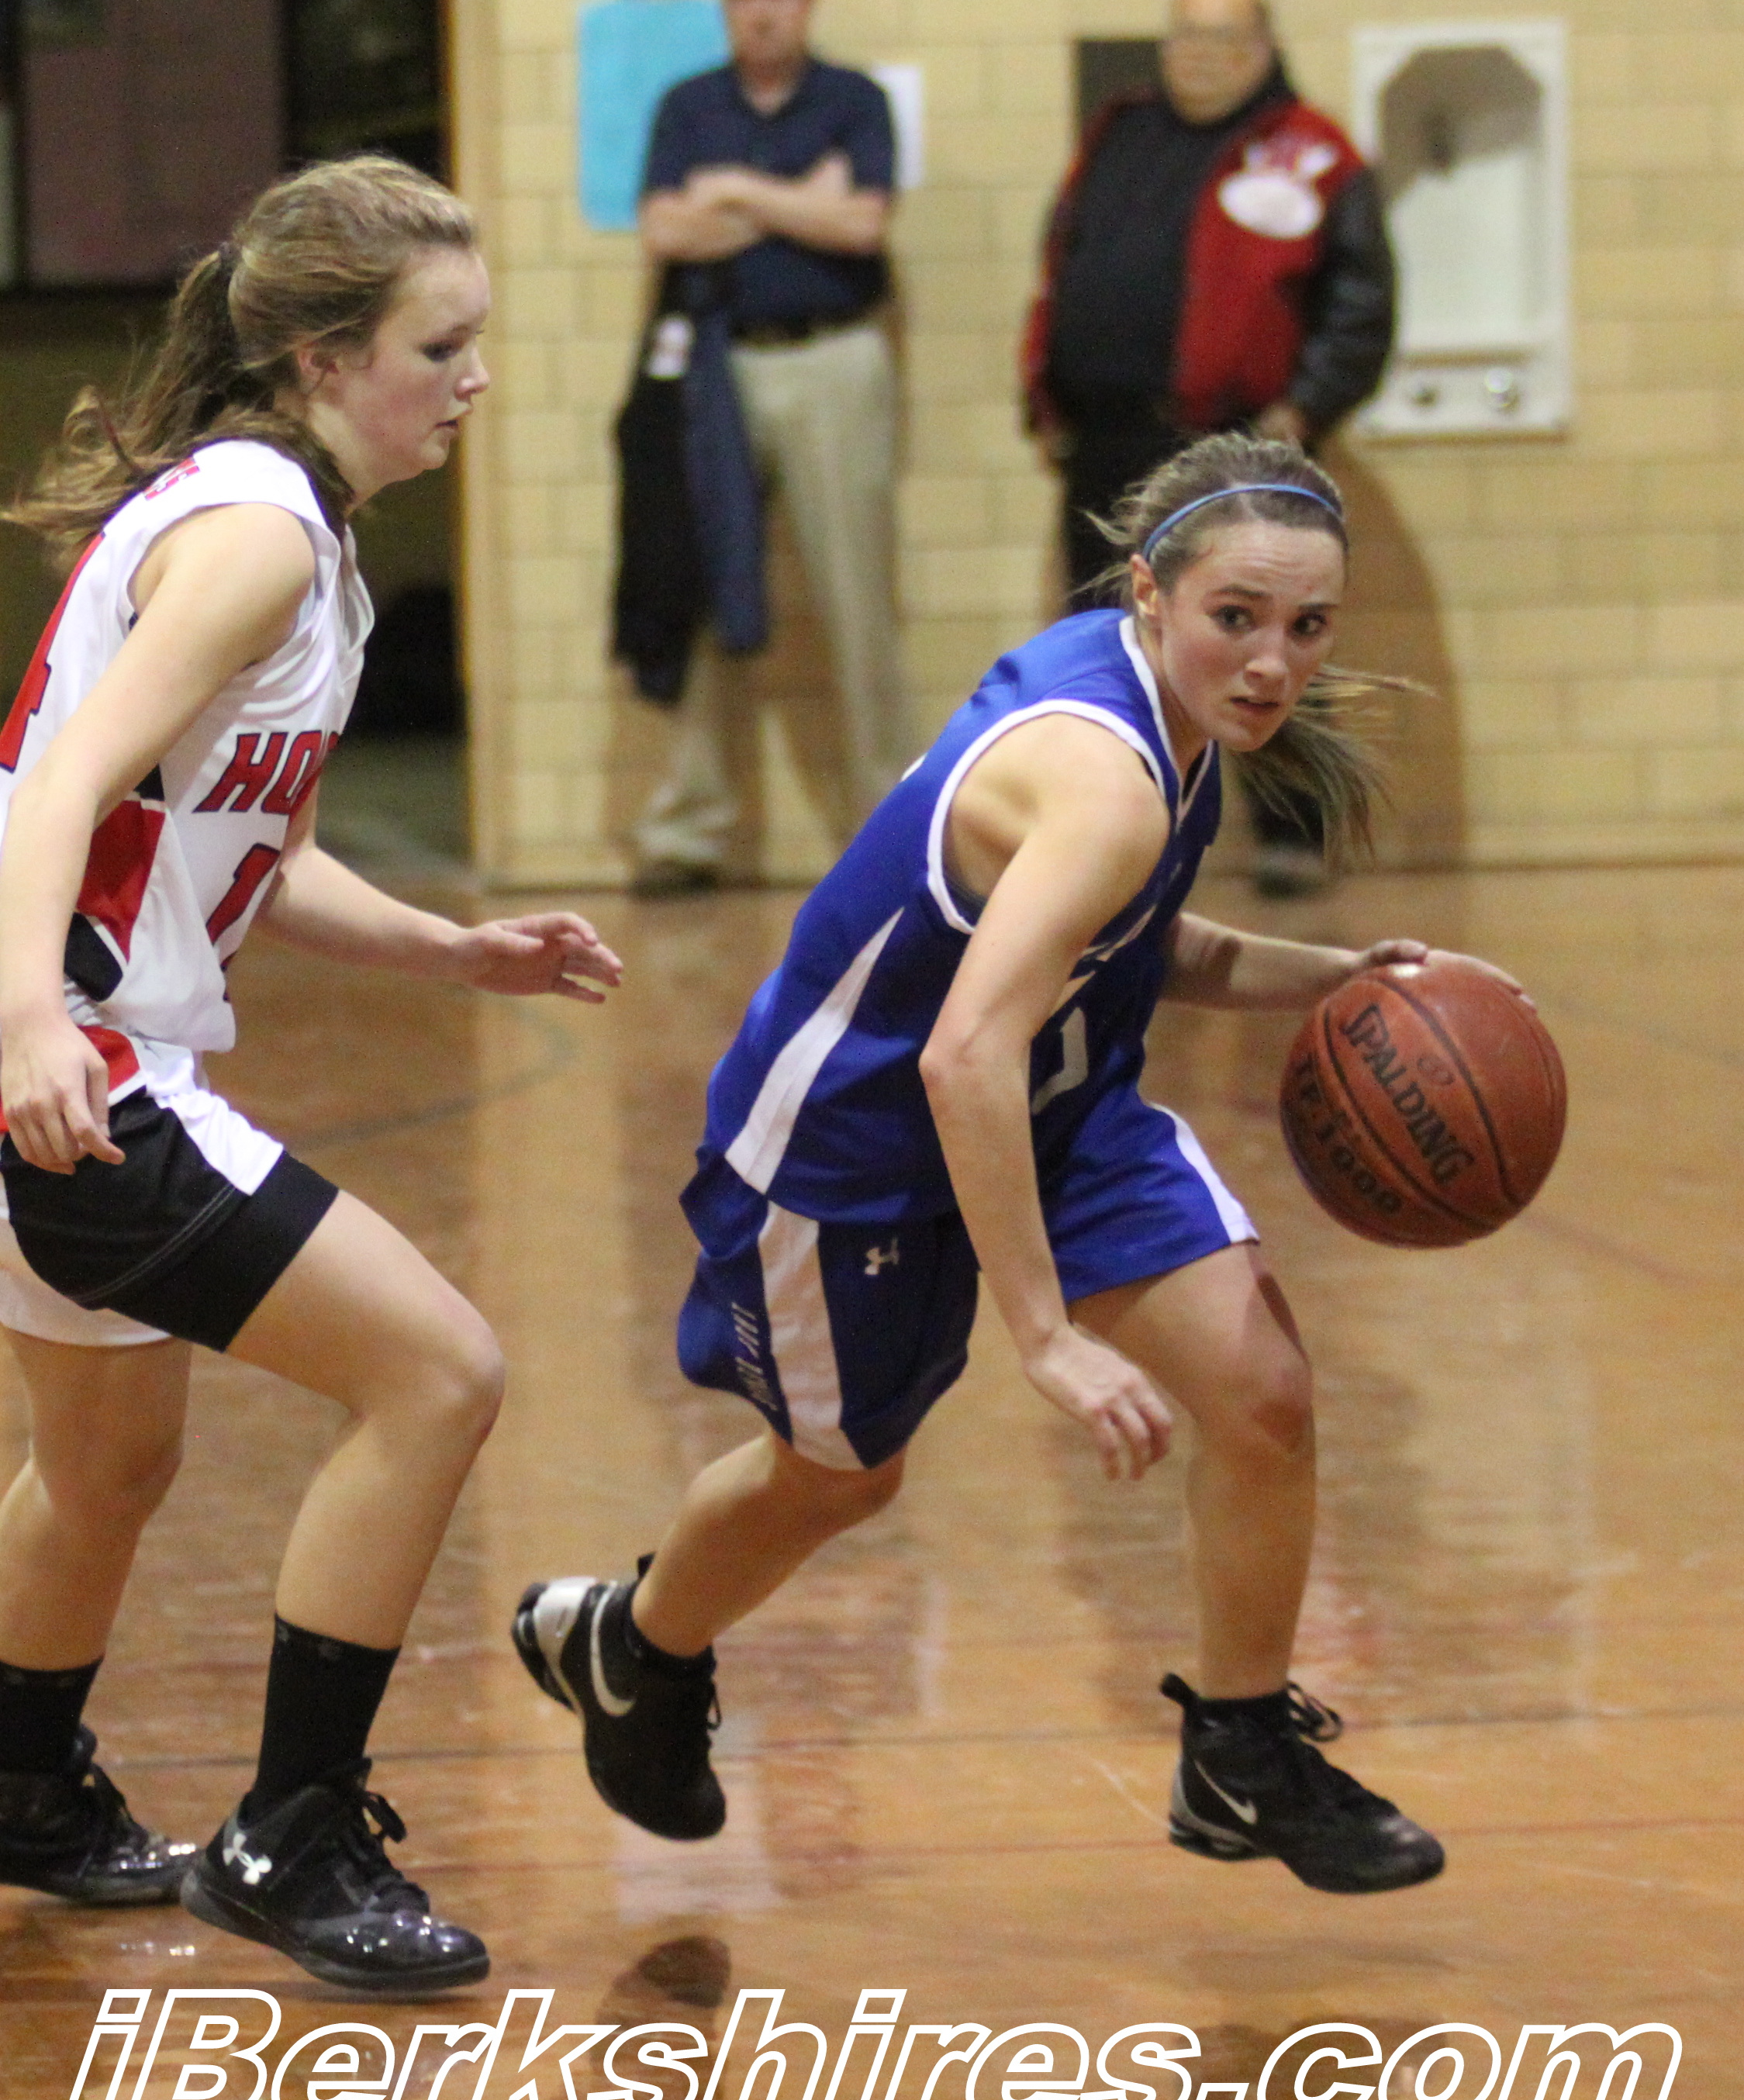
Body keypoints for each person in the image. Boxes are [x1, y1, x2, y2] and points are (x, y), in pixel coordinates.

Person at [517, 431, 1529, 1898]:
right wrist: (1043, 1336)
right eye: (1232, 618)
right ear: (1150, 591)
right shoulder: (1103, 773)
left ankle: (1235, 1750)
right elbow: (956, 1057)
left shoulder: (1172, 724)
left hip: (1056, 1103)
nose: (1268, 662)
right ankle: (633, 1643)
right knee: (839, 1478)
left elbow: (1127, 944)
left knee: (1260, 1396)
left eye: (1303, 627)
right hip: (853, 1143)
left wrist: (1345, 978)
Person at [0, 156, 620, 1993]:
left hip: (61, 1029)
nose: (474, 376)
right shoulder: (260, 529)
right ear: (324, 354)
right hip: (79, 1054)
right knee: (438, 1375)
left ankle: (23, 1792)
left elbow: (229, 826)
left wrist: (450, 946)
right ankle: (297, 1830)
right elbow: (58, 790)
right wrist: (32, 1021)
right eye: (444, 344)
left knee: (105, 1464)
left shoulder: (283, 521)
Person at [1021, 0, 1395, 896]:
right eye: (1183, 34)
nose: (1196, 55)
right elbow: (1061, 260)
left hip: (1234, 448)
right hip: (1109, 438)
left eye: (1220, 36)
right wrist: (1043, 390)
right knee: (1112, 642)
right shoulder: (1120, 134)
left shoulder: (1312, 153)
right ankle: (1112, 828)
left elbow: (1360, 306)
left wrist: (1302, 411)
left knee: (1261, 634)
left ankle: (1291, 832)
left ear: (1261, 47)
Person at [627, 0, 905, 894]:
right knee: (701, 583)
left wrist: (731, 192)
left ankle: (890, 829)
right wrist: (800, 202)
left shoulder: (854, 98)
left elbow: (862, 227)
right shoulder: (687, 105)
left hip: (833, 360)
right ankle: (689, 829)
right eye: (746, 1)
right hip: (715, 367)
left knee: (853, 594)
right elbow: (665, 231)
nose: (763, 16)